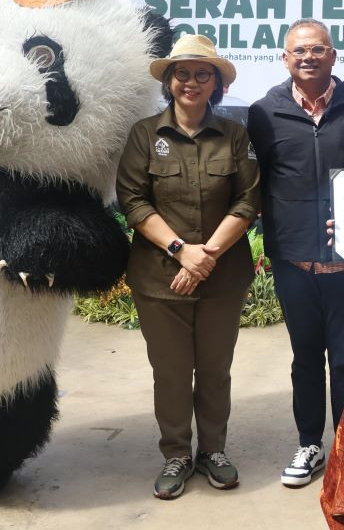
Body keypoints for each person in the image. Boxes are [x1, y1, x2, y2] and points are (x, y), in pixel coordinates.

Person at [116, 34, 260, 500]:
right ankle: (176, 453)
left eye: (203, 74)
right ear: (170, 81)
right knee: (173, 372)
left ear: (215, 83)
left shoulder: (235, 135)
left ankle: (213, 451)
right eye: (183, 73)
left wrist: (206, 257)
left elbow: (248, 200)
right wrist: (182, 251)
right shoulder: (144, 134)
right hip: (160, 280)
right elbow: (132, 201)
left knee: (215, 370)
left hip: (222, 278)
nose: (192, 82)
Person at [246, 18, 344, 488]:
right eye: (298, 51)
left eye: (317, 49)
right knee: (305, 357)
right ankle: (310, 444)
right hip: (293, 261)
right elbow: (258, 180)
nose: (307, 57)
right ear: (285, 58)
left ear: (333, 54)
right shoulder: (265, 112)